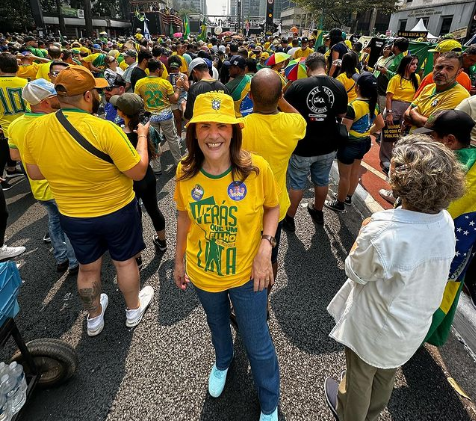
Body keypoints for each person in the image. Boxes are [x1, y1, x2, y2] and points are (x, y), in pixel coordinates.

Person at [324, 135, 465, 421]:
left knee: (359, 376)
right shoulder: (445, 220)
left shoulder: (383, 231)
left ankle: (349, 412)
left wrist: (363, 234)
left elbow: (356, 271)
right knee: (386, 374)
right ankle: (371, 414)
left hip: (375, 324)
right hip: (412, 323)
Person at [22, 66, 154, 337]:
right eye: (96, 91)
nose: (99, 95)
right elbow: (138, 170)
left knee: (88, 267)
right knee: (125, 262)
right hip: (117, 209)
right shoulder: (104, 128)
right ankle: (132, 309)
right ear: (86, 95)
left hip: (73, 213)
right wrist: (141, 136)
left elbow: (35, 173)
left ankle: (94, 317)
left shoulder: (34, 130)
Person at [174, 92, 280, 421]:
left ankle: (269, 401)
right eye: (204, 126)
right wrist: (178, 261)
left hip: (249, 274)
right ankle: (222, 361)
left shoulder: (256, 169)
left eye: (222, 125)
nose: (213, 134)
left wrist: (266, 245)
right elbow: (183, 217)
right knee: (217, 324)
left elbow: (273, 207)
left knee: (257, 339)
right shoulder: (185, 170)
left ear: (234, 131)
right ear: (194, 132)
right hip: (205, 273)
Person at [409, 110, 476, 344]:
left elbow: (434, 211)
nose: (428, 142)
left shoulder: (458, 171)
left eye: (433, 137)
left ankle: (411, 336)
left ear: (449, 141)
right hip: (452, 245)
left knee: (431, 290)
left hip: (446, 247)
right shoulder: (464, 160)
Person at [241, 68, 306, 306]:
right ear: (280, 95)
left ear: (250, 96)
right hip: (275, 206)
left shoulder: (240, 127)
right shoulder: (293, 124)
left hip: (244, 206)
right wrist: (280, 99)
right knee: (271, 255)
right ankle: (263, 300)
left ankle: (242, 299)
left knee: (243, 254)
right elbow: (298, 116)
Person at [8, 79, 78, 274]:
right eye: (54, 96)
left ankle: (61, 258)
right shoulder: (55, 121)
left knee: (54, 220)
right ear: (45, 102)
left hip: (38, 187)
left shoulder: (15, 125)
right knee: (71, 225)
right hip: (61, 185)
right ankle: (75, 262)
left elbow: (14, 156)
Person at [283, 52, 348, 229]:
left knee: (297, 183)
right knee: (322, 180)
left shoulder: (297, 86)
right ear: (325, 66)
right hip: (328, 144)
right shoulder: (338, 85)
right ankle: (318, 212)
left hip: (303, 143)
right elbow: (342, 113)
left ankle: (289, 218)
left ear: (307, 68)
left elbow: (284, 111)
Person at [110, 93, 167, 252]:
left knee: (134, 218)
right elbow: (157, 150)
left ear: (121, 112)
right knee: (154, 209)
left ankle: (137, 256)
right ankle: (162, 242)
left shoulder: (118, 134)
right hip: (148, 177)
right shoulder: (145, 128)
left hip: (129, 181)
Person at [325, 73, 385, 213]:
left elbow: (344, 131)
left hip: (349, 144)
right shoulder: (374, 105)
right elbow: (380, 124)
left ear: (357, 88)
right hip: (364, 143)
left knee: (344, 176)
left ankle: (339, 203)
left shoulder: (352, 107)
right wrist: (367, 131)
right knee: (354, 173)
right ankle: (347, 197)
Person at [134, 58, 183, 172]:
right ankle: (178, 162)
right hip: (166, 115)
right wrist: (178, 87)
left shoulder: (140, 83)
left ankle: (156, 168)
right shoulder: (165, 83)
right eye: (161, 68)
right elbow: (174, 100)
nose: (162, 70)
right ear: (157, 70)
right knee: (172, 139)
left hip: (151, 117)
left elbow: (137, 100)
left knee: (153, 141)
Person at [379, 54, 420, 190]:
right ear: (405, 64)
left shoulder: (416, 78)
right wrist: (389, 113)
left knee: (401, 136)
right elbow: (389, 97)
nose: (415, 66)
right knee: (389, 134)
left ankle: (396, 158)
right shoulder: (396, 79)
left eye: (416, 64)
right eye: (413, 64)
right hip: (395, 107)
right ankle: (385, 158)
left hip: (408, 109)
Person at [404, 52, 470, 131]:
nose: (442, 72)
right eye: (439, 67)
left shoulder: (459, 95)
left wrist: (413, 112)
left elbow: (433, 126)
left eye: (449, 68)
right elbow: (406, 114)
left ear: (458, 72)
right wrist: (420, 120)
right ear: (433, 68)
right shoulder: (428, 88)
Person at [0, 54, 27, 191]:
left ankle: (10, 171)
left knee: (5, 153)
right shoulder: (25, 83)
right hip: (24, 125)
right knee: (25, 155)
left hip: (4, 127)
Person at [184, 58, 229, 122]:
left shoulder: (194, 89)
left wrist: (183, 107)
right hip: (220, 125)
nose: (194, 79)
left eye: (193, 76)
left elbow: (189, 118)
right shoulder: (223, 87)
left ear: (194, 71)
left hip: (203, 127)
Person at [167, 55, 189, 136]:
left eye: (175, 69)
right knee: (177, 120)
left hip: (182, 97)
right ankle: (179, 136)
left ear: (179, 68)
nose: (174, 70)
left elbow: (188, 89)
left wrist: (182, 82)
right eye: (172, 69)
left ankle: (186, 118)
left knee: (183, 110)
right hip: (174, 98)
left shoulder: (184, 76)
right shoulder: (168, 77)